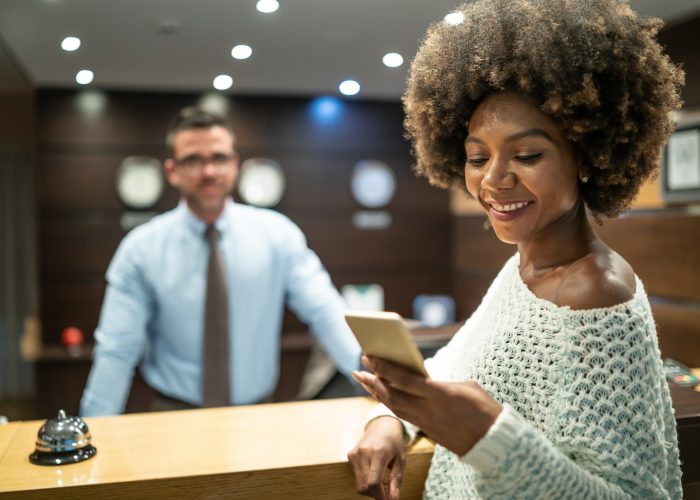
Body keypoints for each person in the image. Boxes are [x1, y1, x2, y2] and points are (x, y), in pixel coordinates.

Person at [347, 0, 684, 498]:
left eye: (527, 155)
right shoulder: (521, 268)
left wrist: (488, 436)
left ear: (586, 157)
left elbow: (635, 495)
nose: (494, 179)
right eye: (477, 157)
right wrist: (387, 419)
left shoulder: (595, 293)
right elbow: (449, 368)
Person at [80, 106, 361, 416]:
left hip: (257, 414)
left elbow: (326, 314)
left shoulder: (277, 234)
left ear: (235, 164)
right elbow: (117, 349)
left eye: (218, 158)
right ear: (172, 171)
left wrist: (379, 390)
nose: (208, 171)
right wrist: (93, 434)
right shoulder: (140, 249)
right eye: (193, 160)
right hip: (172, 414)